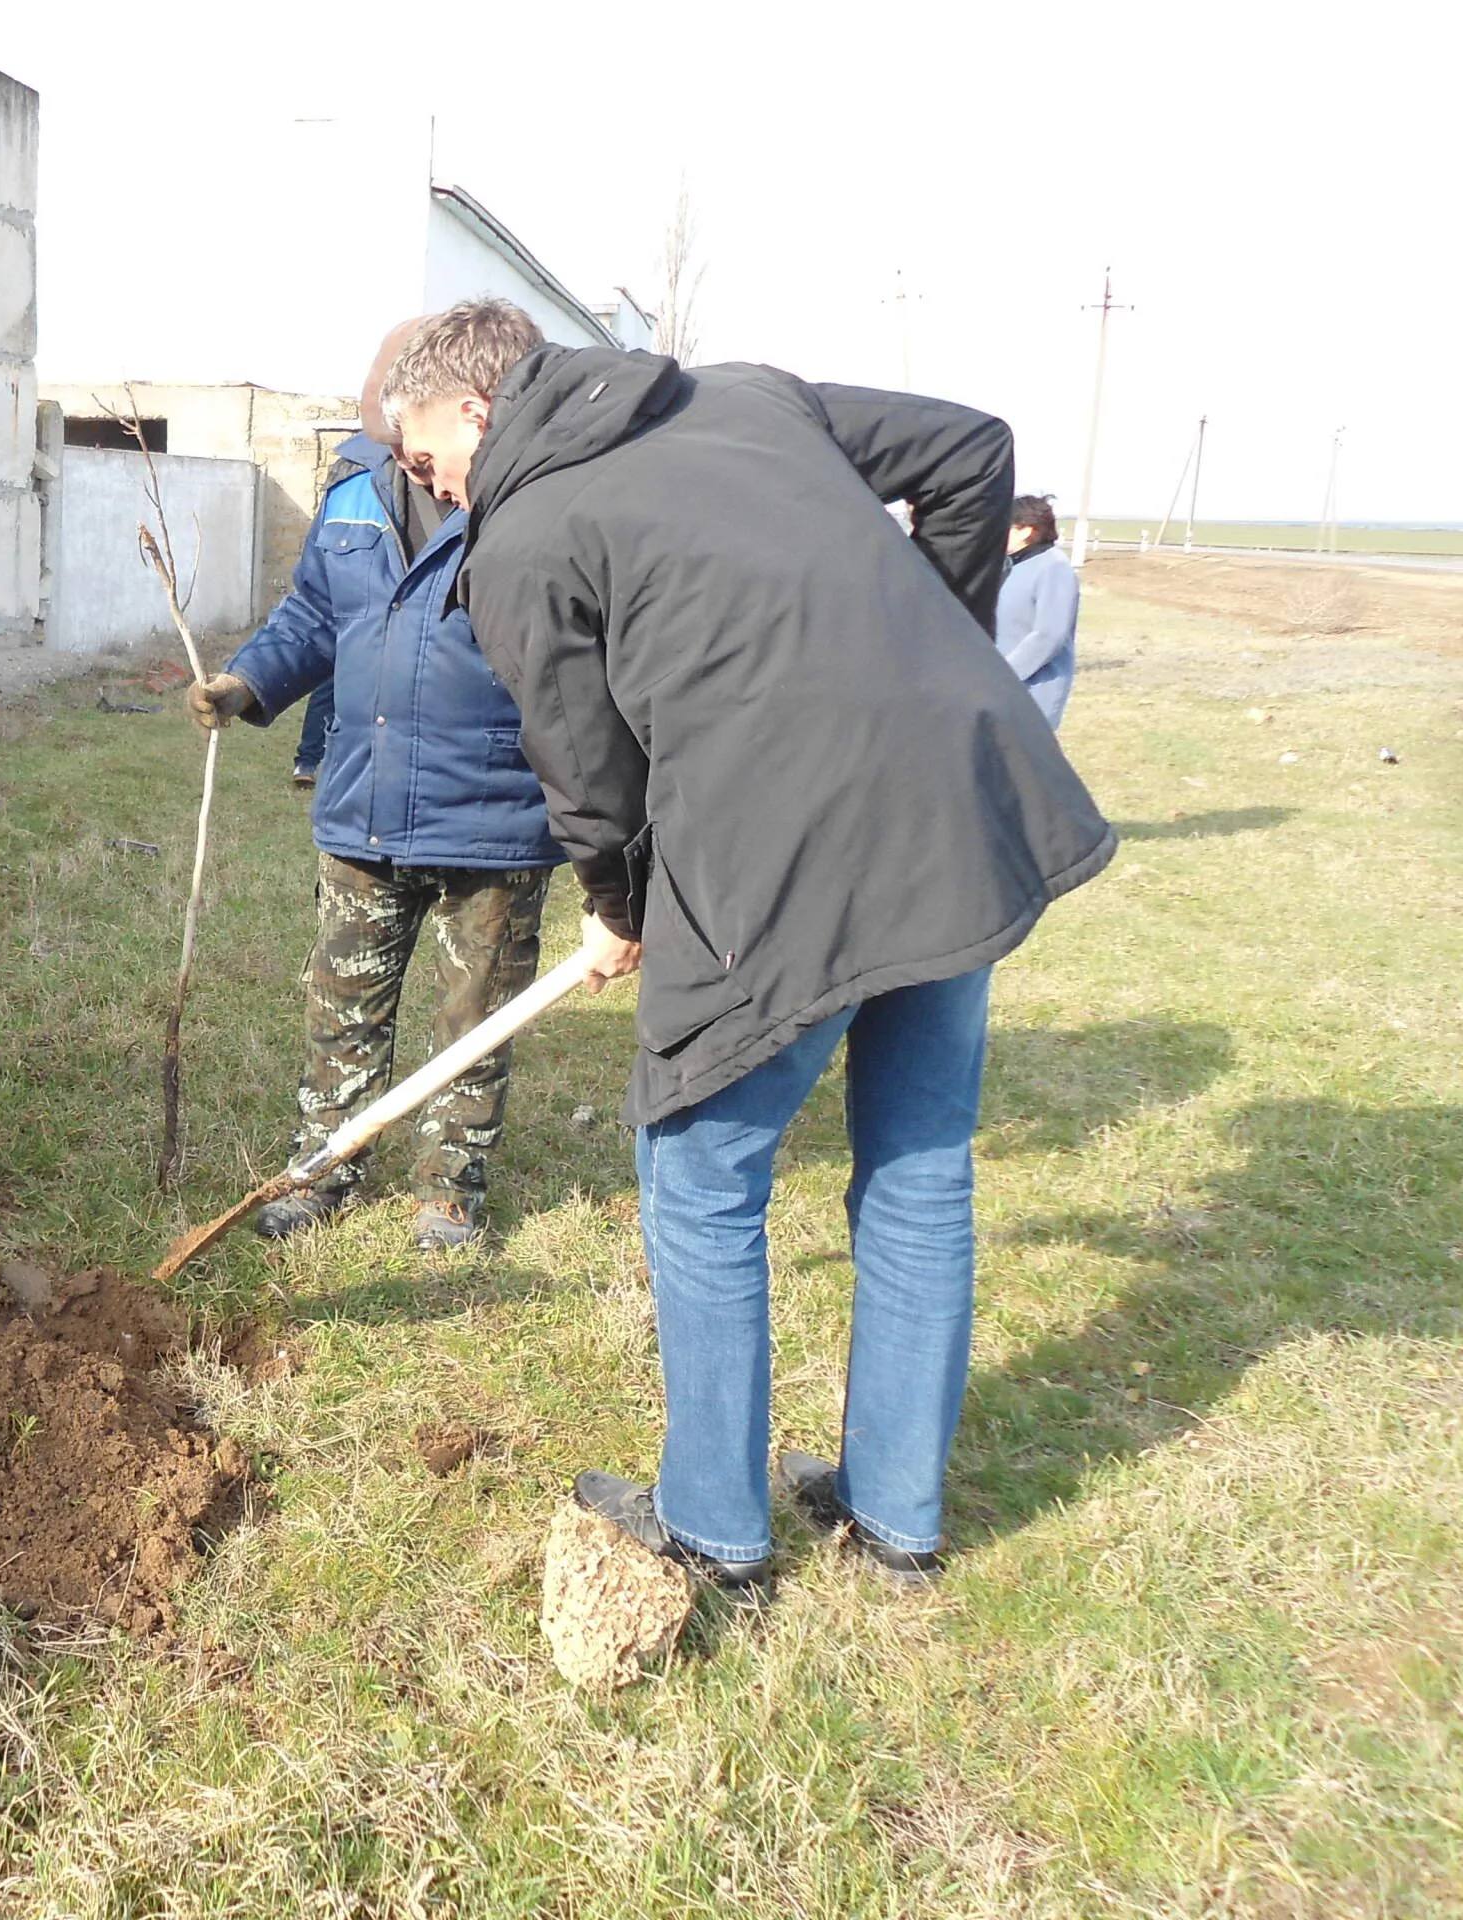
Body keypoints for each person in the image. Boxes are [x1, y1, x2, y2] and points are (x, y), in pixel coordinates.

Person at [381, 298, 1116, 1593]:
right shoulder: (741, 393)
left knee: (699, 1163)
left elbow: (590, 781)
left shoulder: (525, 539)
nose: (418, 472)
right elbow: (971, 453)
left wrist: (621, 907)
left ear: (478, 410)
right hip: (952, 795)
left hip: (783, 840)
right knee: (921, 1157)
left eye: (419, 442)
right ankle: (898, 1513)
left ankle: (715, 1525)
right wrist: (913, 647)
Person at [189, 317, 561, 1253]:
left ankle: (449, 1193)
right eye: (384, 438)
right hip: (363, 806)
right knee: (341, 1007)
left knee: (471, 1019)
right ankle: (322, 1173)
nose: (401, 457)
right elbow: (313, 616)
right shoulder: (353, 501)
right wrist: (247, 681)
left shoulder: (530, 505)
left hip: (495, 818)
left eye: (407, 437)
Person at [996, 493, 1079, 727]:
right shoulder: (1010, 565)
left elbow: (1049, 635)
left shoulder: (1054, 568)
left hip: (1034, 688)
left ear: (1026, 530)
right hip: (1000, 683)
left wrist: (1004, 674)